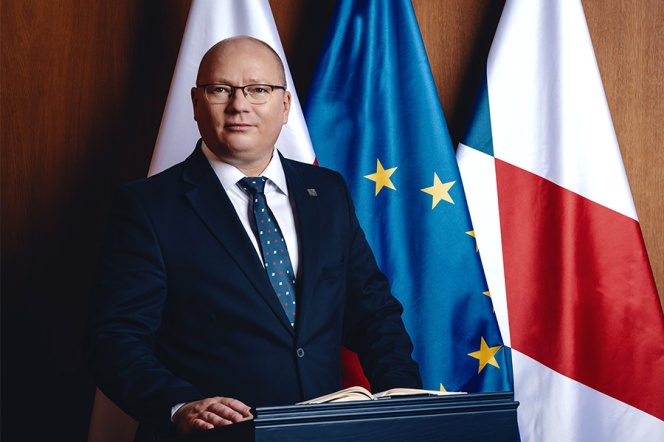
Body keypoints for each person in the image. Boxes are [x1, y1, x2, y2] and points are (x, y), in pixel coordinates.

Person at [83, 36, 422, 440]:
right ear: (196, 103)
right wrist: (179, 404)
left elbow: (374, 314)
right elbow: (114, 339)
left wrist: (403, 401)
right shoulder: (147, 206)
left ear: (285, 105)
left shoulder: (327, 192)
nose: (238, 105)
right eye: (220, 89)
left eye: (258, 89)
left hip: (327, 433)